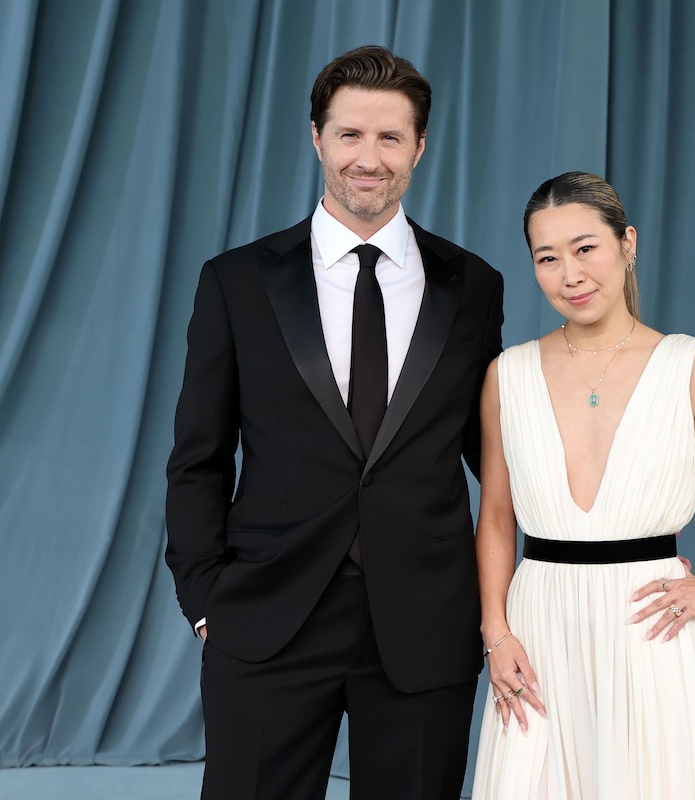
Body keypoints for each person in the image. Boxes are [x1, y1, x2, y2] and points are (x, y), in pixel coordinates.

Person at [164, 46, 503, 800]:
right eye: (350, 135)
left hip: (424, 624)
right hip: (268, 619)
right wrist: (205, 601)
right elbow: (199, 457)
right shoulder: (237, 281)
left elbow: (496, 459)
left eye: (389, 138)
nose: (368, 158)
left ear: (419, 146)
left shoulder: (473, 286)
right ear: (316, 137)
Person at [471, 172, 695, 799]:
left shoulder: (691, 366)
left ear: (627, 244)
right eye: (547, 258)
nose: (570, 274)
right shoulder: (509, 374)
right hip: (538, 632)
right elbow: (497, 517)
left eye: (586, 248)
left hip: (652, 630)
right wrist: (495, 633)